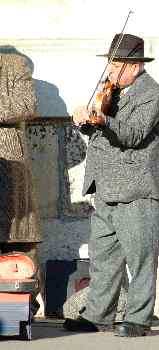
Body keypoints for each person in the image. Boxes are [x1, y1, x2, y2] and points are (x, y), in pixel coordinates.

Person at [64, 33, 159, 337]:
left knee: (141, 257)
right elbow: (99, 134)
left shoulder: (151, 93)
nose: (110, 72)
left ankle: (138, 318)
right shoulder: (115, 91)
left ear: (135, 66)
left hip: (135, 189)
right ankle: (97, 315)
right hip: (105, 186)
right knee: (103, 258)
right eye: (110, 65)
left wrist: (103, 121)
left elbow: (133, 135)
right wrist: (84, 121)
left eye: (117, 66)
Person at [0, 46, 43, 316]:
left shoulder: (14, 64)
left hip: (8, 158)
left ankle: (18, 308)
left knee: (17, 236)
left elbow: (27, 105)